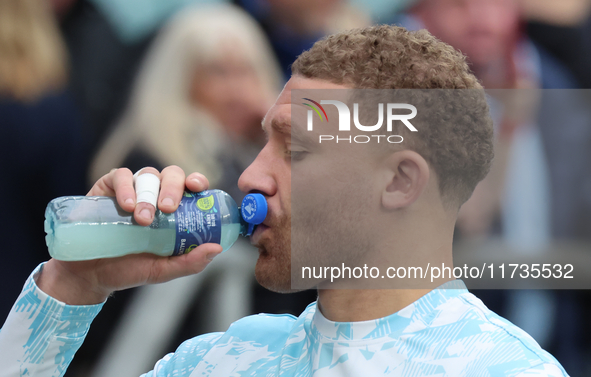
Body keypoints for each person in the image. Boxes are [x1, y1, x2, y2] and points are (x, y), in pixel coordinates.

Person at [0, 25, 569, 376]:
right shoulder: (220, 362)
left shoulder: (503, 370)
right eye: (261, 141)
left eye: (295, 150)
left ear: (400, 182)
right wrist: (71, 288)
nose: (250, 176)